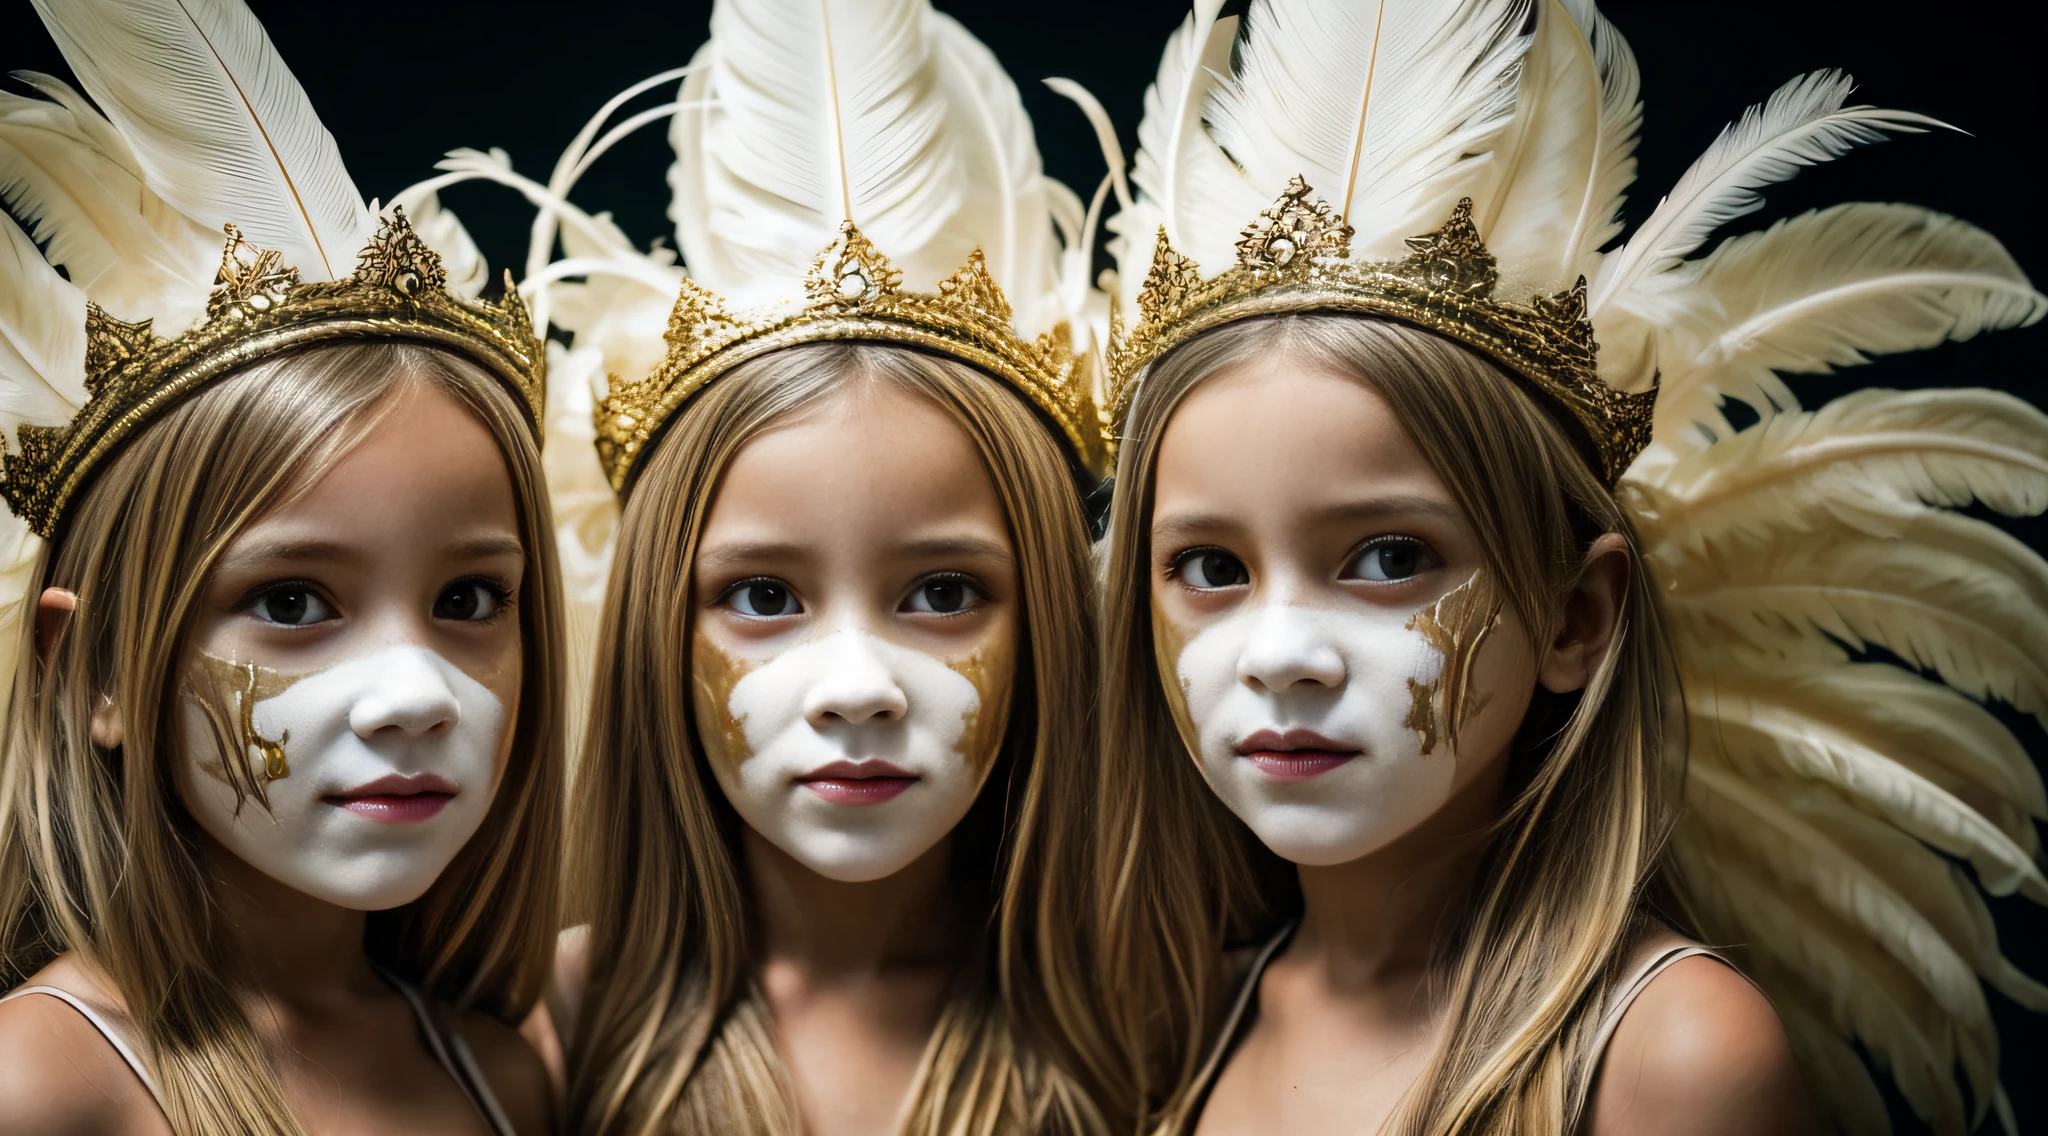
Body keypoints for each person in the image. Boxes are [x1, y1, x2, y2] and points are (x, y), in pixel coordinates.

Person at [1086, 1, 2047, 1134]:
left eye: (1389, 557)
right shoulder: (1183, 1017)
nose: (1281, 655)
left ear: (1573, 617)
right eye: (1207, 565)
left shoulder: (1673, 1058)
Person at [433, 0, 1115, 1130]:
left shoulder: (1155, 1022)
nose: (856, 684)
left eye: (943, 593)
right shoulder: (528, 1045)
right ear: (655, 623)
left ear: (1047, 610)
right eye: (760, 596)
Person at [0, 2, 564, 1133]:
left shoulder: (505, 1077)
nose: (413, 696)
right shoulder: (42, 1085)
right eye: (293, 601)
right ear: (93, 668)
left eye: (468, 599)